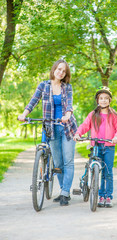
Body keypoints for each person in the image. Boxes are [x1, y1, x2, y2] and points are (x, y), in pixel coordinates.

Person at [18, 59, 77, 206]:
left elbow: (69, 105)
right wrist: (24, 114)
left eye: (64, 71)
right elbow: (33, 101)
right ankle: (64, 189)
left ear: (66, 74)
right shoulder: (44, 85)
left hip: (66, 127)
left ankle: (65, 193)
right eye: (59, 69)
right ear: (54, 69)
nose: (61, 72)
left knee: (68, 161)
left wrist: (67, 116)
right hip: (51, 128)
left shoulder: (67, 87)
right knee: (58, 162)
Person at [74, 86, 117, 208]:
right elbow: (85, 126)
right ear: (97, 100)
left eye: (106, 98)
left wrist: (116, 137)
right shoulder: (93, 114)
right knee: (97, 170)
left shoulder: (114, 115)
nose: (103, 100)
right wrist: (78, 133)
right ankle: (100, 195)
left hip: (109, 146)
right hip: (96, 145)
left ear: (110, 100)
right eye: (101, 98)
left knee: (108, 172)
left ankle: (108, 196)